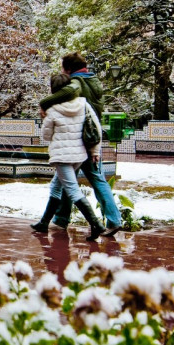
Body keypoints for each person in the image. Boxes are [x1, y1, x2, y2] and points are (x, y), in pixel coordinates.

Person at [37, 52, 121, 237]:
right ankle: (62, 219)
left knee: (71, 182)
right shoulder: (94, 81)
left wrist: (44, 103)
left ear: (68, 69)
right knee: (82, 180)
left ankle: (90, 222)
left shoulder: (75, 84)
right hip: (91, 137)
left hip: (77, 139)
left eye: (62, 67)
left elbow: (67, 92)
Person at [32, 73, 106, 241]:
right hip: (79, 155)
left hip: (62, 156)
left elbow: (45, 135)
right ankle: (44, 222)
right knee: (56, 186)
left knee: (72, 190)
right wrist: (95, 151)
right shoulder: (83, 104)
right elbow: (95, 127)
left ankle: (96, 224)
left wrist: (45, 120)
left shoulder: (52, 110)